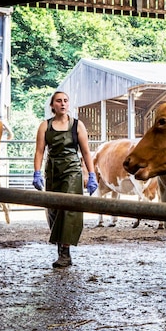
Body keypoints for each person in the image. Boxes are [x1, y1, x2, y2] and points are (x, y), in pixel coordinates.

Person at [32, 91, 98, 268]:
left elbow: (85, 152)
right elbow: (39, 151)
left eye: (66, 101)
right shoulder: (45, 126)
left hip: (72, 172)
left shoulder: (77, 125)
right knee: (54, 210)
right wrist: (37, 172)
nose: (63, 104)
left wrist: (91, 175)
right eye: (59, 101)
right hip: (52, 171)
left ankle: (65, 253)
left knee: (68, 210)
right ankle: (61, 250)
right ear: (52, 105)